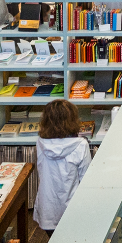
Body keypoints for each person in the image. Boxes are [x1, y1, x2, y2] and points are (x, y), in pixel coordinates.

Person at [35, 99, 92, 235]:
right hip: (72, 209)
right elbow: (86, 179)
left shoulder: (40, 143)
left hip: (47, 209)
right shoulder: (81, 145)